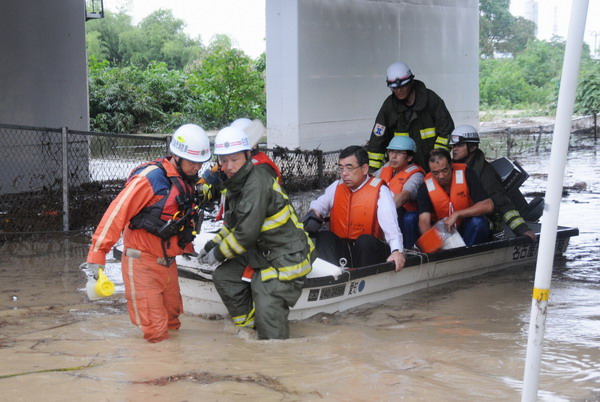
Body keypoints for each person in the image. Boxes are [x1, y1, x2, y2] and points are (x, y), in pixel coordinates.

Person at [85, 124, 211, 343]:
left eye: (200, 162)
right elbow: (116, 214)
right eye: (192, 162)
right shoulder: (149, 179)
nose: (196, 167)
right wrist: (97, 255)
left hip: (169, 264)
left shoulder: (189, 180)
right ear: (176, 156)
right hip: (142, 264)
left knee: (173, 324)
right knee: (156, 334)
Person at [198, 126, 314, 340]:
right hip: (262, 250)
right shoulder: (236, 184)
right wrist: (209, 246)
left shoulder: (255, 184)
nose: (229, 167)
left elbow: (245, 235)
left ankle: (273, 350)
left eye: (235, 160)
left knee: (266, 296)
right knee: (224, 276)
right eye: (224, 161)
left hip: (287, 254)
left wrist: (216, 255)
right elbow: (232, 225)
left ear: (247, 155)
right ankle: (250, 329)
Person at [304, 145, 406, 272]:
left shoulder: (381, 191)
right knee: (324, 236)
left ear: (364, 169)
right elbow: (319, 204)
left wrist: (397, 251)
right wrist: (314, 212)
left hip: (370, 250)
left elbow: (391, 226)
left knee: (364, 241)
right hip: (345, 248)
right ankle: (329, 275)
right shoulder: (336, 187)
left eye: (349, 168)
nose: (344, 174)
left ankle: (364, 280)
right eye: (341, 169)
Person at [450, 125, 536, 241]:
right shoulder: (451, 169)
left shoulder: (485, 174)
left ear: (473, 147)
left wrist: (522, 229)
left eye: (459, 145)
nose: (454, 149)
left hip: (480, 223)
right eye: (453, 145)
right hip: (456, 220)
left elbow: (502, 204)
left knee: (477, 222)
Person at [366, 61, 454, 172]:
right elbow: (377, 141)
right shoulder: (389, 107)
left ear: (411, 82)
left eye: (403, 86)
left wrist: (437, 158)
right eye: (394, 88)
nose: (399, 90)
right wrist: (372, 172)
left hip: (433, 168)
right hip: (403, 170)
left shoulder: (431, 100)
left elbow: (446, 130)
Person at [417, 148, 494, 247]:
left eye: (445, 170)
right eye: (435, 173)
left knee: (478, 222)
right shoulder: (425, 187)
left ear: (451, 165)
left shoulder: (467, 174)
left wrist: (457, 214)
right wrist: (432, 243)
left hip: (467, 225)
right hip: (443, 232)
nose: (441, 176)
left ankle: (468, 256)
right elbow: (424, 220)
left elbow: (488, 205)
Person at [375, 136, 425, 249]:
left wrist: (382, 209)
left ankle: (409, 252)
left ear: (410, 157)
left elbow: (404, 195)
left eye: (399, 153)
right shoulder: (388, 167)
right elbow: (368, 180)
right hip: (391, 214)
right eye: (391, 151)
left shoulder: (416, 174)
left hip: (409, 217)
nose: (393, 156)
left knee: (409, 218)